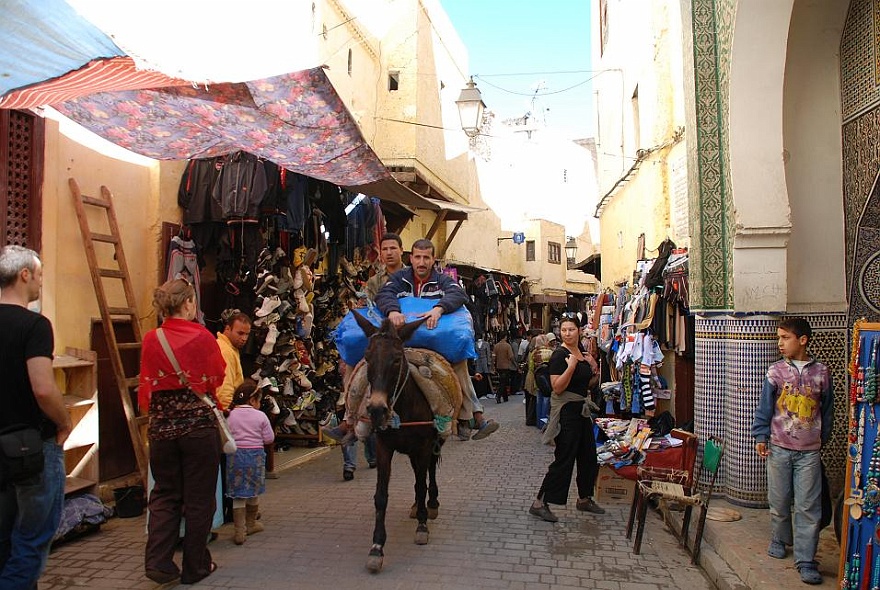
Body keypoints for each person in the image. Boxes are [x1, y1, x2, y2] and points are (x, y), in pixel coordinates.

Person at [139, 278, 227, 585]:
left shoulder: (152, 338)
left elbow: (148, 383)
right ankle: (195, 567)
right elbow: (217, 376)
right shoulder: (201, 337)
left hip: (161, 430)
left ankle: (159, 563)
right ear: (187, 303)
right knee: (200, 499)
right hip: (197, 430)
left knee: (164, 495)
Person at [376, 238, 499, 440]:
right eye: (418, 257)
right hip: (402, 342)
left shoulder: (442, 280)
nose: (422, 262)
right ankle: (351, 419)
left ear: (433, 260)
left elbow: (458, 294)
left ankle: (476, 417)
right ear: (411, 258)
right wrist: (392, 311)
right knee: (372, 364)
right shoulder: (399, 278)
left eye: (426, 257)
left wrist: (438, 308)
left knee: (460, 365)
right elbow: (385, 294)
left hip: (437, 343)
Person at [0, 245, 71, 589]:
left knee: (3, 540)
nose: (41, 283)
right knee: (31, 540)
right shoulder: (34, 325)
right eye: (39, 275)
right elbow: (43, 388)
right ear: (24, 274)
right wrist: (64, 421)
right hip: (30, 448)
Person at [751, 317, 832, 586]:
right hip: (779, 447)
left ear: (803, 340)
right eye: (779, 338)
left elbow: (828, 410)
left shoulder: (821, 372)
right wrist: (761, 435)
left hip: (809, 451)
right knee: (779, 499)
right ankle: (780, 538)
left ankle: (806, 559)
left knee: (809, 506)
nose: (780, 343)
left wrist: (823, 438)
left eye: (785, 338)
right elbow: (765, 408)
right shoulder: (775, 372)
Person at [529, 316, 604, 523]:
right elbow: (557, 387)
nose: (568, 333)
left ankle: (584, 498)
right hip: (566, 413)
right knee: (564, 458)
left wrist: (593, 366)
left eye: (571, 329)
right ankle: (539, 502)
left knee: (589, 456)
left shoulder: (581, 353)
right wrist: (571, 367)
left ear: (579, 331)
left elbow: (588, 384)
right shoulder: (559, 355)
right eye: (564, 330)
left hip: (581, 410)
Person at [226, 380, 274, 545]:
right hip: (255, 456)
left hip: (235, 456)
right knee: (253, 492)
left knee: (238, 493)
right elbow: (269, 438)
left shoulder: (230, 414)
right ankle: (251, 524)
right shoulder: (260, 416)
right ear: (252, 400)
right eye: (259, 400)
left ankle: (239, 531)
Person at [364, 232, 404, 301]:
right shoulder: (374, 282)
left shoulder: (413, 275)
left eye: (393, 248)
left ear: (401, 250)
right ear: (381, 253)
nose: (389, 253)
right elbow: (368, 307)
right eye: (384, 249)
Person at [492, 333, 516, 403]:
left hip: (499, 366)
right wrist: (515, 365)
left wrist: (493, 366)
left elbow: (493, 356)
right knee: (503, 382)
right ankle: (498, 395)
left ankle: (505, 397)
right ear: (505, 337)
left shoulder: (496, 346)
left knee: (503, 381)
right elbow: (511, 357)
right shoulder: (507, 346)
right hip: (506, 366)